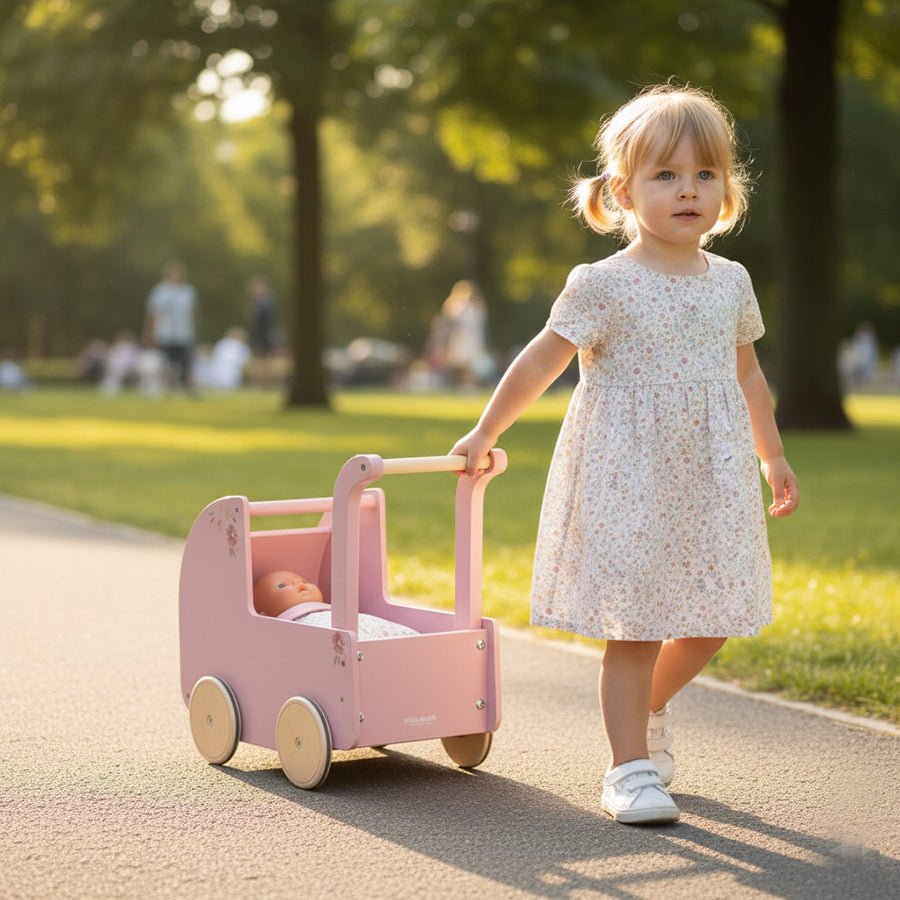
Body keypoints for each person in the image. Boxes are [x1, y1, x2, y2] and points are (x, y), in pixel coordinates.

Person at [450, 83, 799, 826]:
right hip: (628, 476)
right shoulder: (603, 284)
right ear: (622, 191)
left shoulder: (730, 282)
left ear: (727, 191)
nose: (688, 190)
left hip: (710, 476)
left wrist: (771, 456)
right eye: (666, 175)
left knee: (712, 618)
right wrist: (487, 430)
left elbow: (746, 374)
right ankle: (628, 768)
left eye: (705, 174)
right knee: (635, 625)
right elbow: (542, 361)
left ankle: (651, 708)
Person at [143, 261, 197, 392]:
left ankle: (188, 388)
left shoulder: (188, 291)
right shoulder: (160, 291)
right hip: (165, 333)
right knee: (165, 362)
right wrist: (149, 332)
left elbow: (192, 313)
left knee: (186, 362)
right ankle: (164, 388)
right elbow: (153, 313)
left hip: (184, 333)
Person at [246, 276, 278, 386]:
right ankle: (260, 382)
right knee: (259, 359)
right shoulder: (260, 303)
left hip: (263, 335)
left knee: (264, 359)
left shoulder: (265, 303)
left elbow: (265, 321)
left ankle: (264, 382)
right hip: (259, 335)